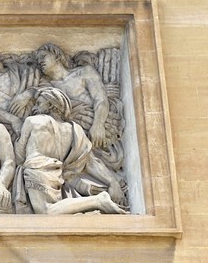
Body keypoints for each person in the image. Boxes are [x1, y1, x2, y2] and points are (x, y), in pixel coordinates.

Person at [12, 88, 126, 216]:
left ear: (51, 104)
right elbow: (92, 162)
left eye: (38, 103)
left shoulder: (33, 121)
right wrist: (112, 182)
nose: (34, 108)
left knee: (45, 211)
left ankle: (97, 201)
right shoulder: (75, 130)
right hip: (57, 173)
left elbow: (19, 155)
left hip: (37, 169)